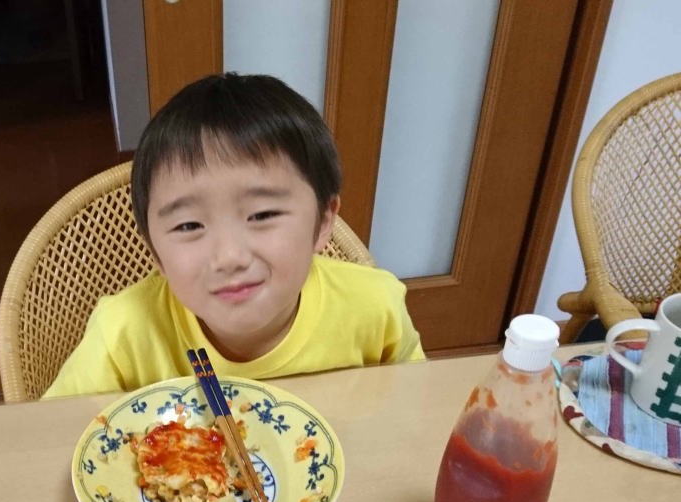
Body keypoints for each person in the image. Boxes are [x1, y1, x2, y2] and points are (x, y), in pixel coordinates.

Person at [43, 73, 424, 399]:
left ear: (324, 221)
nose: (229, 257)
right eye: (189, 225)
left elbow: (415, 410)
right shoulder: (122, 334)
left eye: (263, 215)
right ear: (155, 253)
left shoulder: (375, 308)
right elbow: (51, 437)